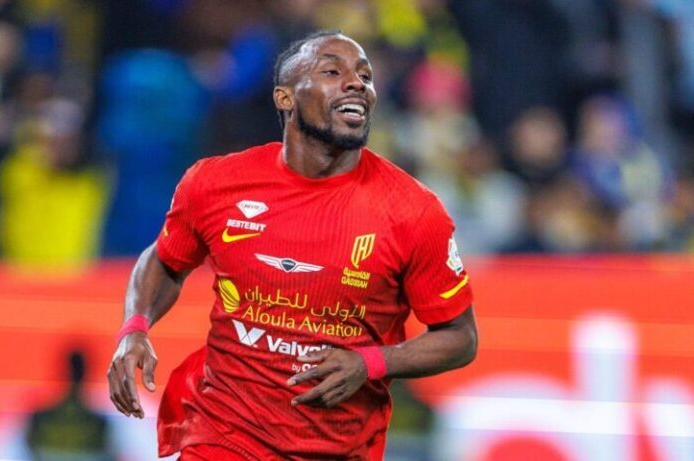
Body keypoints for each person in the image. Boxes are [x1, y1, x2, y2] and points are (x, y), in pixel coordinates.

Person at [107, 30, 477, 461]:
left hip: (337, 447)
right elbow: (165, 260)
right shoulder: (215, 183)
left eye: (365, 76)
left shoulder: (413, 212)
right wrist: (135, 329)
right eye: (332, 71)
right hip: (223, 434)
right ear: (285, 98)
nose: (357, 84)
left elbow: (460, 337)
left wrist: (372, 363)